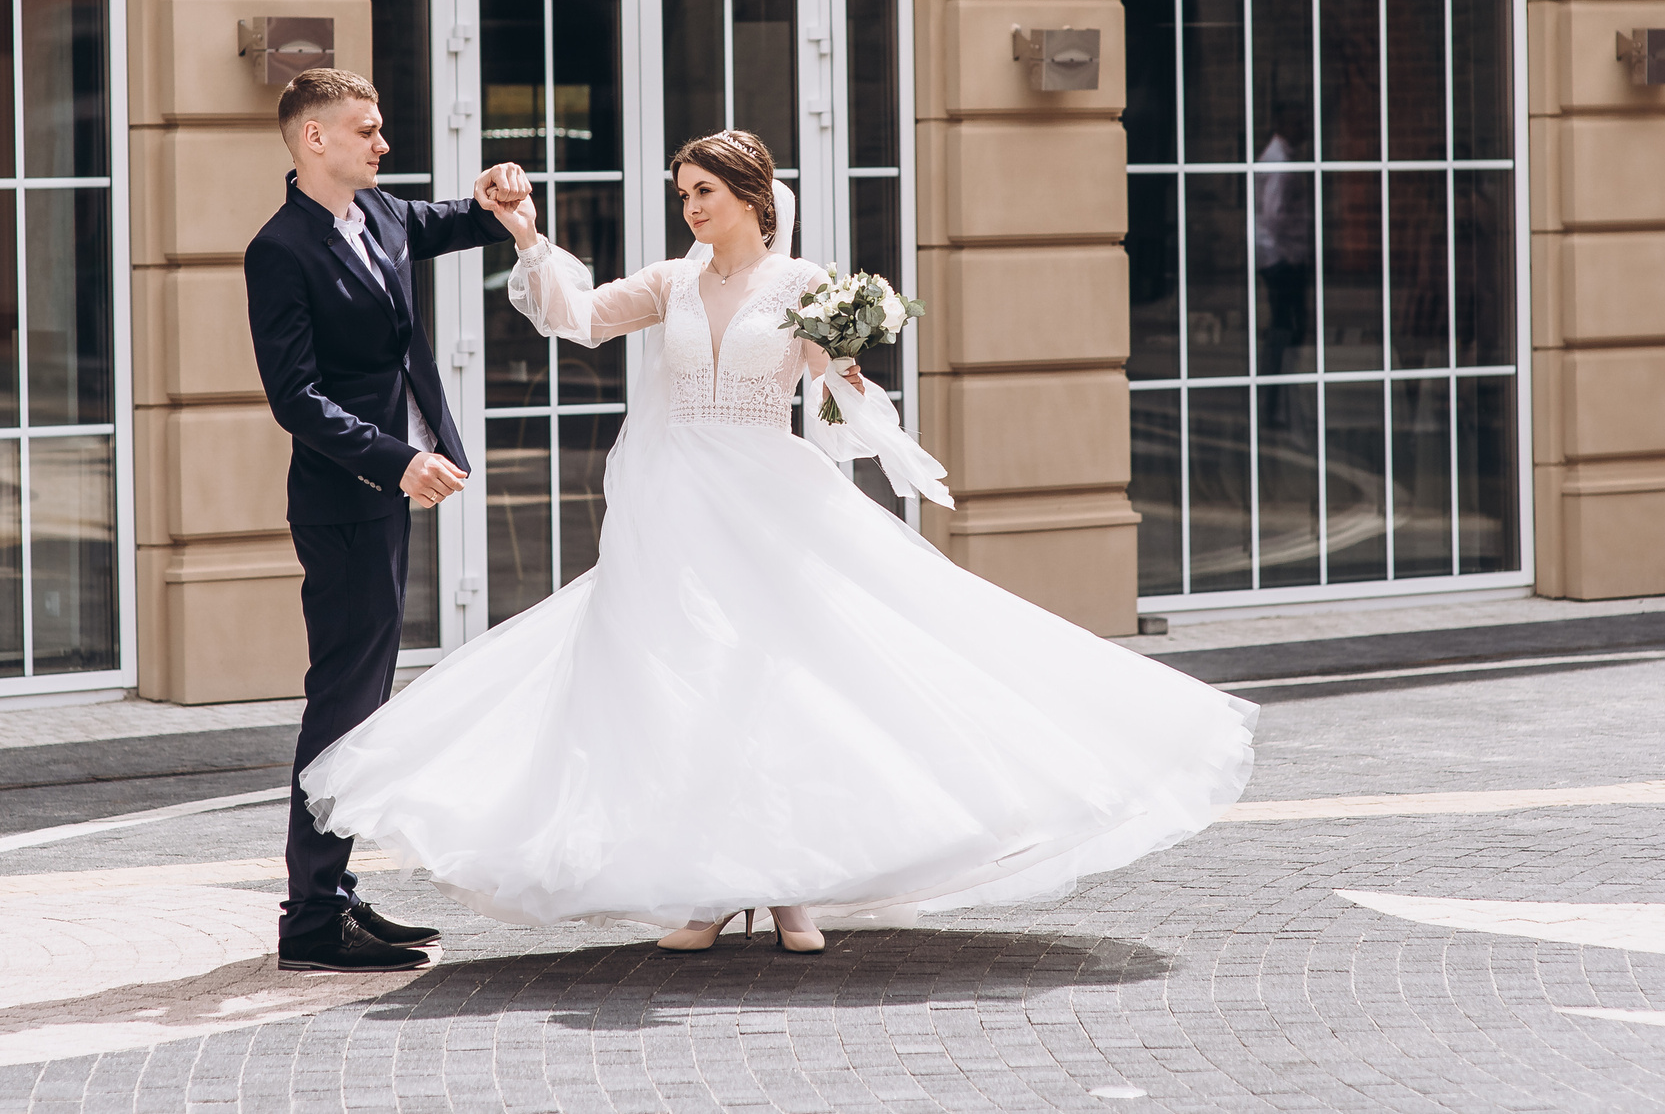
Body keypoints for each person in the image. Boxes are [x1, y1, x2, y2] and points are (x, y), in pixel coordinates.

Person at [298, 129, 1257, 954]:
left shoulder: (806, 285)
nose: (690, 209)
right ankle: (711, 892)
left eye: (703, 193)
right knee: (688, 686)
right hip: (672, 501)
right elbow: (579, 319)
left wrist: (858, 388)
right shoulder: (673, 280)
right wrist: (528, 236)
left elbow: (835, 387)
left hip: (768, 498)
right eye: (682, 196)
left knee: (776, 677)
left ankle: (787, 883)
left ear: (753, 197)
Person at [243, 66, 519, 973]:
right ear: (314, 139)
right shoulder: (279, 249)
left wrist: (500, 192)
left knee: (363, 702)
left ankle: (333, 894)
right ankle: (312, 919)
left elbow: (468, 220)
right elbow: (297, 398)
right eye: (367, 129)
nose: (382, 142)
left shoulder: (387, 218)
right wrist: (398, 460)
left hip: (389, 499)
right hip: (346, 504)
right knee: (344, 704)